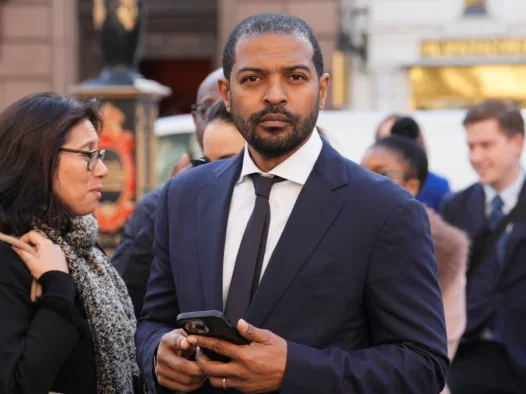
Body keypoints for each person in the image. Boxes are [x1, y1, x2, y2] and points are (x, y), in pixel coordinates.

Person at [135, 13, 448, 394]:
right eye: (253, 79)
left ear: (322, 89)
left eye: (295, 77)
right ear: (226, 93)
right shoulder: (184, 196)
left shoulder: (386, 210)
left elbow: (422, 364)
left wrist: (294, 370)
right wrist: (157, 355)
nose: (275, 95)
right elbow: (153, 320)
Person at [0, 93, 141, 394]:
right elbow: (17, 385)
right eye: (86, 155)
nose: (101, 169)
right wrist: (58, 287)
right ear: (38, 160)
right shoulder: (9, 255)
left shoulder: (84, 247)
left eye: (99, 154)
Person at [113, 99, 245, 317]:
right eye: (205, 164)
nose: (213, 177)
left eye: (227, 164)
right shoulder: (175, 211)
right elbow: (134, 305)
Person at [361, 134, 470, 394]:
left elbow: (447, 338)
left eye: (383, 174)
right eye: (360, 173)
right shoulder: (345, 233)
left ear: (413, 186)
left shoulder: (446, 249)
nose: (366, 183)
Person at [441, 100, 526, 394]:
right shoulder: (455, 206)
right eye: (471, 146)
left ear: (517, 143)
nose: (476, 157)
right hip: (468, 356)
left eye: (486, 145)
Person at [111, 68, 223, 275]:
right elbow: (123, 290)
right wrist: (169, 207)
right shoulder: (156, 205)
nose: (217, 119)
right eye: (208, 110)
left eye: (228, 108)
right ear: (195, 118)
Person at [376, 114, 452, 211]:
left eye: (399, 139)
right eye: (385, 141)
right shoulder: (368, 183)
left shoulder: (438, 186)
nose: (391, 147)